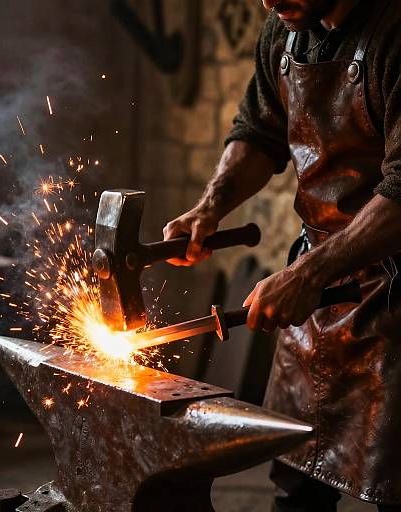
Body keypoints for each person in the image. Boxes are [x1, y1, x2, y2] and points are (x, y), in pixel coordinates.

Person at [163, 0, 401, 510]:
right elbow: (259, 130)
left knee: (395, 484)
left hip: (394, 300)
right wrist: (210, 208)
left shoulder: (394, 34)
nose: (269, 2)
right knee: (295, 483)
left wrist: (307, 274)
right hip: (317, 300)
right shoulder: (284, 29)